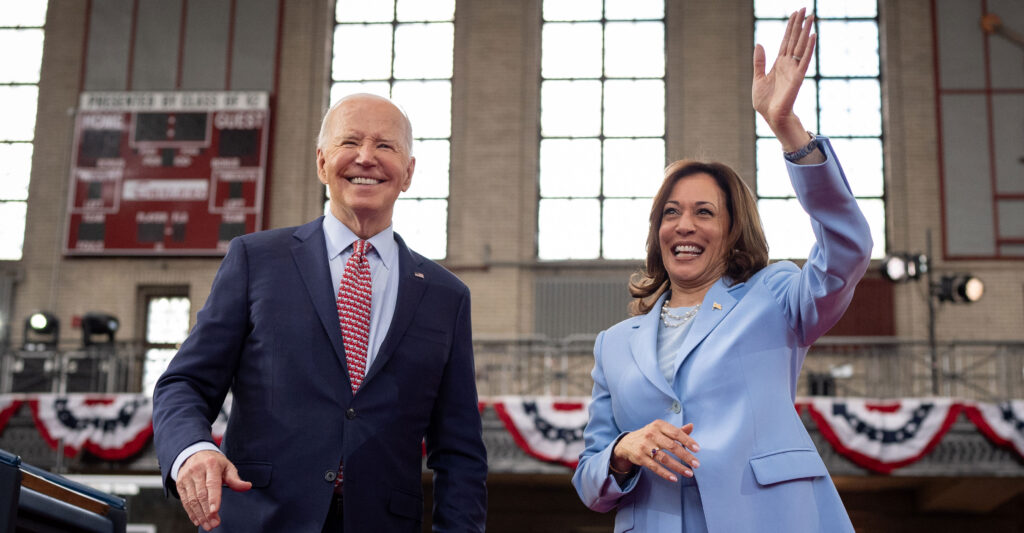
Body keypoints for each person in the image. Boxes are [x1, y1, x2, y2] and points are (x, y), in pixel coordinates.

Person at [571, 9, 870, 532]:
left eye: (704, 212)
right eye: (671, 212)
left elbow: (847, 251)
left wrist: (788, 130)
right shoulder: (614, 345)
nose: (684, 225)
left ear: (733, 231)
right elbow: (590, 478)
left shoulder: (776, 298)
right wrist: (624, 449)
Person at [152, 93, 488, 532]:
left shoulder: (447, 296)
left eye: (385, 146)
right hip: (258, 520)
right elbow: (184, 383)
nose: (366, 158)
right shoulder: (256, 260)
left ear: (408, 173)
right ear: (321, 162)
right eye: (350, 142)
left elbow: (460, 452)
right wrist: (193, 449)